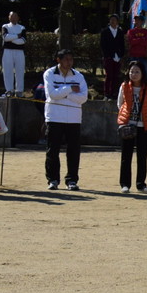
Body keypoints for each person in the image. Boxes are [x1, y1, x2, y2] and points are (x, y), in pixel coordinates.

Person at [42, 49, 89, 191]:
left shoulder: (78, 76)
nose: (69, 62)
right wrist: (70, 89)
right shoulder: (49, 74)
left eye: (71, 59)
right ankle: (53, 180)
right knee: (53, 150)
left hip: (74, 119)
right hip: (54, 117)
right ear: (58, 60)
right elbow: (52, 94)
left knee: (73, 151)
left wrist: (65, 94)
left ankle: (72, 180)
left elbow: (83, 97)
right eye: (66, 59)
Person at [115, 60, 147, 194]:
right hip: (128, 125)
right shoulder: (124, 86)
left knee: (142, 156)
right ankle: (125, 184)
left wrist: (144, 117)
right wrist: (127, 118)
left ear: (143, 73)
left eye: (137, 71)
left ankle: (141, 184)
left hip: (143, 126)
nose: (134, 74)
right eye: (132, 71)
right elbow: (120, 104)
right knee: (126, 156)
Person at [0, 11, 27, 98]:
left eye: (15, 16)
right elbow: (5, 37)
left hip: (19, 52)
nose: (13, 18)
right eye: (12, 16)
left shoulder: (22, 27)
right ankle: (9, 90)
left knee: (20, 70)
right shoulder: (5, 26)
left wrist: (11, 39)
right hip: (7, 51)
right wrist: (17, 36)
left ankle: (19, 90)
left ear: (18, 18)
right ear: (9, 17)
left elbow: (23, 41)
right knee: (7, 70)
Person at [100, 14, 125, 100]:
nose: (112, 21)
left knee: (116, 75)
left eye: (114, 20)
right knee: (109, 75)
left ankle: (114, 93)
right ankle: (107, 93)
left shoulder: (120, 32)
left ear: (117, 22)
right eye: (111, 19)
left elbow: (122, 44)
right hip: (109, 56)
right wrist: (106, 55)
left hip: (117, 56)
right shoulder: (105, 31)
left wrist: (121, 55)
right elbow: (103, 45)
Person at [125, 15, 147, 84]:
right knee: (131, 75)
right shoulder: (130, 31)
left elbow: (146, 42)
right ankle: (130, 89)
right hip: (133, 56)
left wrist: (136, 40)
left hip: (143, 56)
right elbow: (131, 42)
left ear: (142, 22)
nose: (137, 22)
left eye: (139, 20)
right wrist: (141, 39)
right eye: (136, 20)